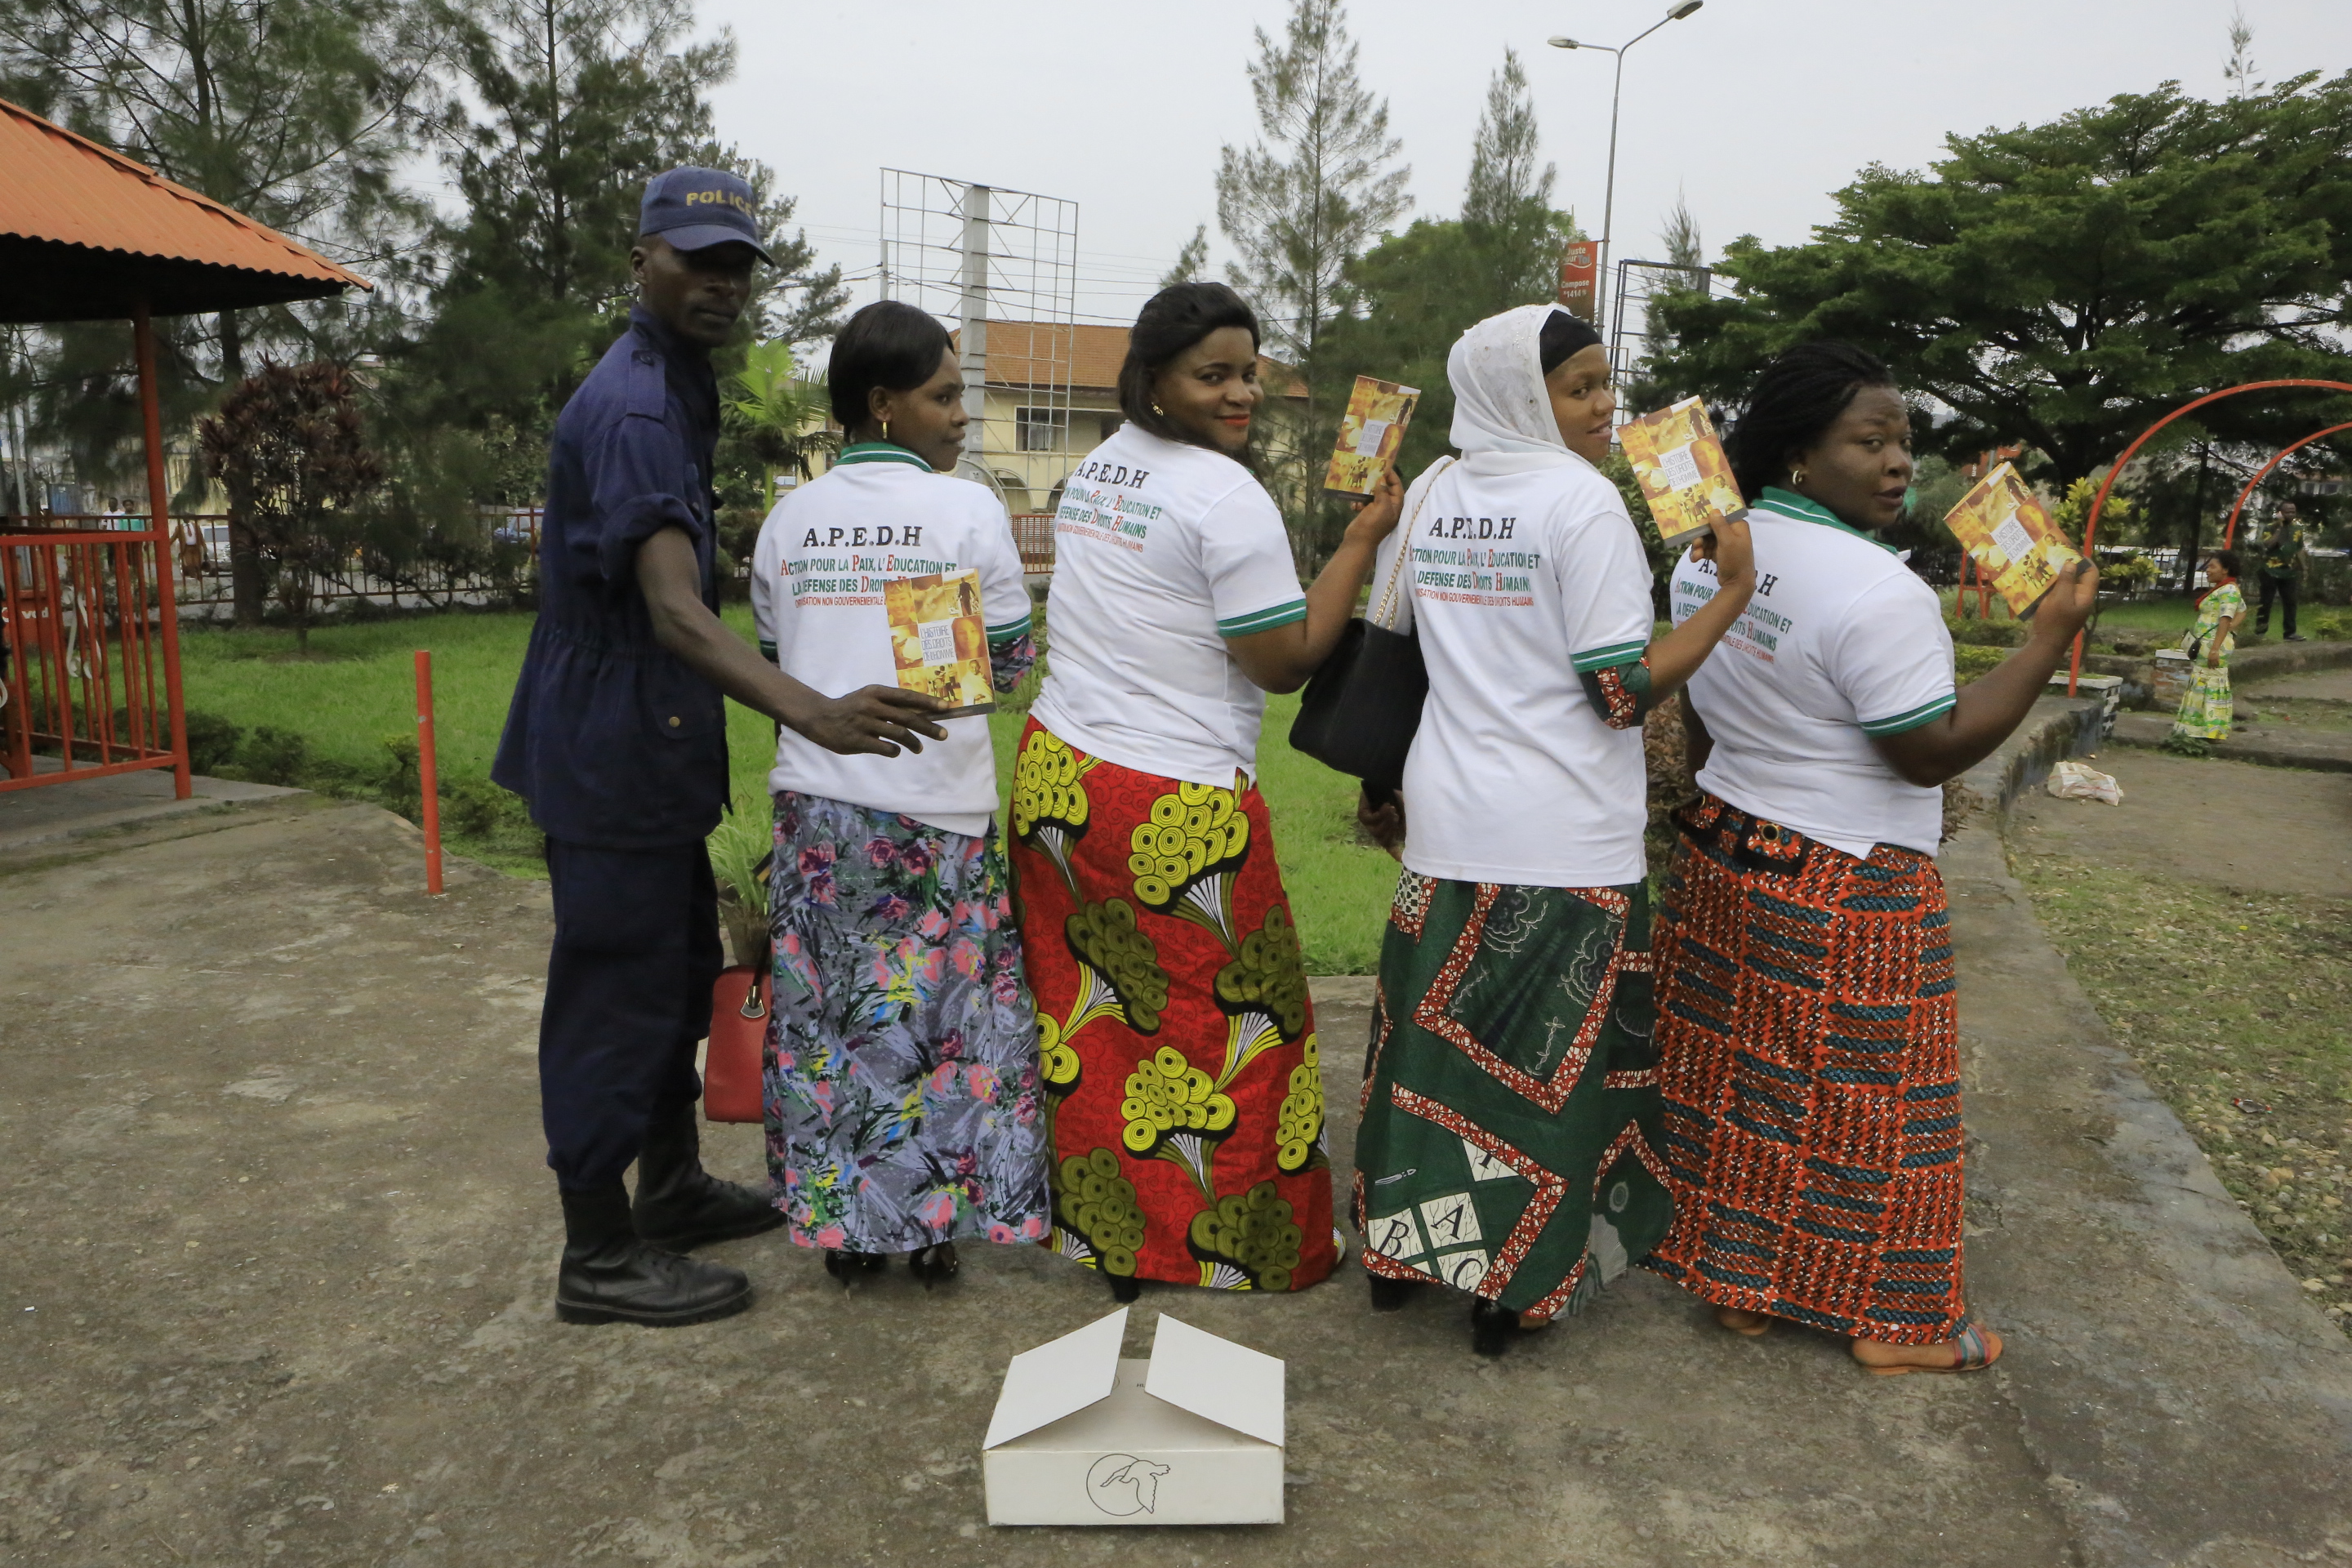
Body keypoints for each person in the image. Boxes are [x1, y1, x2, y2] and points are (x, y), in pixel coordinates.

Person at [492, 167, 949, 1328]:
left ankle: (673, 1187)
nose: (721, 284)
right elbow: (675, 611)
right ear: (640, 256)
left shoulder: (674, 378)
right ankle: (598, 1253)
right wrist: (817, 711)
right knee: (614, 991)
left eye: (739, 264)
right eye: (696, 259)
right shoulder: (640, 405)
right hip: (613, 749)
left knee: (672, 971)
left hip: (647, 737)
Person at [1645, 341, 2098, 1375]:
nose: (1899, 462)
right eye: (1872, 440)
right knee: (1878, 1111)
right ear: (1802, 454)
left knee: (1745, 1086)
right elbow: (1928, 750)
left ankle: (1744, 1289)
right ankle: (1899, 1326)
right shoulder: (1881, 592)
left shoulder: (1708, 553)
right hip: (1849, 876)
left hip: (1725, 849)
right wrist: (2045, 642)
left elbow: (1707, 709)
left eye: (1905, 441)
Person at [1348, 305, 1758, 1356]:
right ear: (1524, 396)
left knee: (1423, 1053)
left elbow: (1398, 653)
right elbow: (1620, 695)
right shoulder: (1583, 506)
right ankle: (1513, 1286)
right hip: (1564, 839)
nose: (1604, 405)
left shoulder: (1433, 491)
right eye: (1579, 386)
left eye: (1604, 383)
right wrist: (1729, 598)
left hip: (1448, 826)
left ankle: (1398, 1255)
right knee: (1545, 1072)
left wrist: (1379, 786)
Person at [1007, 282, 1402, 1301]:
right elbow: (1283, 661)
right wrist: (1359, 544)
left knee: (1093, 1025)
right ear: (1153, 380)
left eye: (1247, 371)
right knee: (1250, 1027)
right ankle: (1251, 1249)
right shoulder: (1227, 496)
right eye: (1212, 374)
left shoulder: (1102, 467)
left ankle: (1113, 1240)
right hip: (1167, 801)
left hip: (1060, 777)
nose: (1239, 394)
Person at [748, 301, 1047, 1285]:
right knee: (942, 1028)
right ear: (883, 405)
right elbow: (1003, 666)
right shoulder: (966, 511)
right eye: (946, 395)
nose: (963, 416)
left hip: (820, 814)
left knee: (834, 1025)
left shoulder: (788, 520)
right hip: (939, 815)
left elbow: (771, 664)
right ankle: (929, 1227)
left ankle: (845, 1228)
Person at [2172, 549, 2245, 746]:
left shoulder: (2229, 590)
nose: (2208, 570)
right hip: (2211, 641)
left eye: (2212, 566)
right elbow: (2243, 610)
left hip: (2214, 643)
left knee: (2209, 681)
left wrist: (2216, 646)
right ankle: (2199, 726)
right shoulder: (2225, 589)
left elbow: (2226, 617)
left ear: (2225, 569)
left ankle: (2209, 728)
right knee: (2203, 681)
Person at [2254, 505, 2305, 642]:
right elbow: (2269, 545)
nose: (2291, 514)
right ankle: (2260, 633)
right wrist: (2280, 527)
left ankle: (2290, 633)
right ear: (2280, 513)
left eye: (2293, 511)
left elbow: (2299, 549)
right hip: (2270, 570)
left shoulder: (2298, 529)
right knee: (2266, 602)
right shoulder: (2270, 527)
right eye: (2287, 512)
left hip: (2289, 571)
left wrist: (2304, 568)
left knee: (2291, 602)